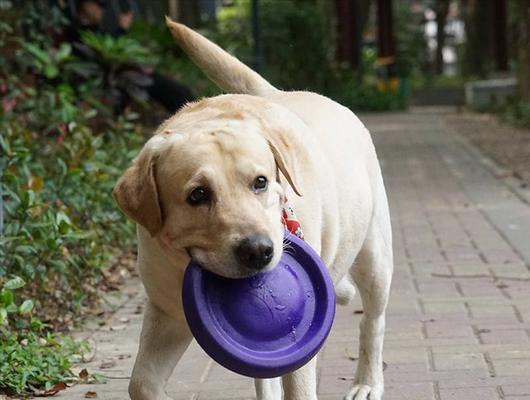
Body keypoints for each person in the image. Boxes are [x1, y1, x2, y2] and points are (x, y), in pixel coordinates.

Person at [68, 0, 194, 113]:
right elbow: (104, 55)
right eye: (100, 5)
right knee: (176, 94)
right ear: (86, 5)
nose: (102, 10)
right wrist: (121, 29)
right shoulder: (77, 32)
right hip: (114, 80)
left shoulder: (91, 28)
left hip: (126, 74)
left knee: (180, 93)